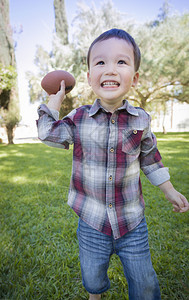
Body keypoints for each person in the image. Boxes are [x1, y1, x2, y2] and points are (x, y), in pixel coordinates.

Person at [37, 28, 189, 300]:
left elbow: (150, 158)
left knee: (144, 284)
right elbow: (48, 134)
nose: (110, 69)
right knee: (93, 276)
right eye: (100, 62)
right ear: (88, 77)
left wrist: (169, 190)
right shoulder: (80, 118)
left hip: (132, 222)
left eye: (121, 62)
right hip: (91, 220)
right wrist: (53, 103)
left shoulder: (141, 120)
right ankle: (96, 295)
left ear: (135, 77)